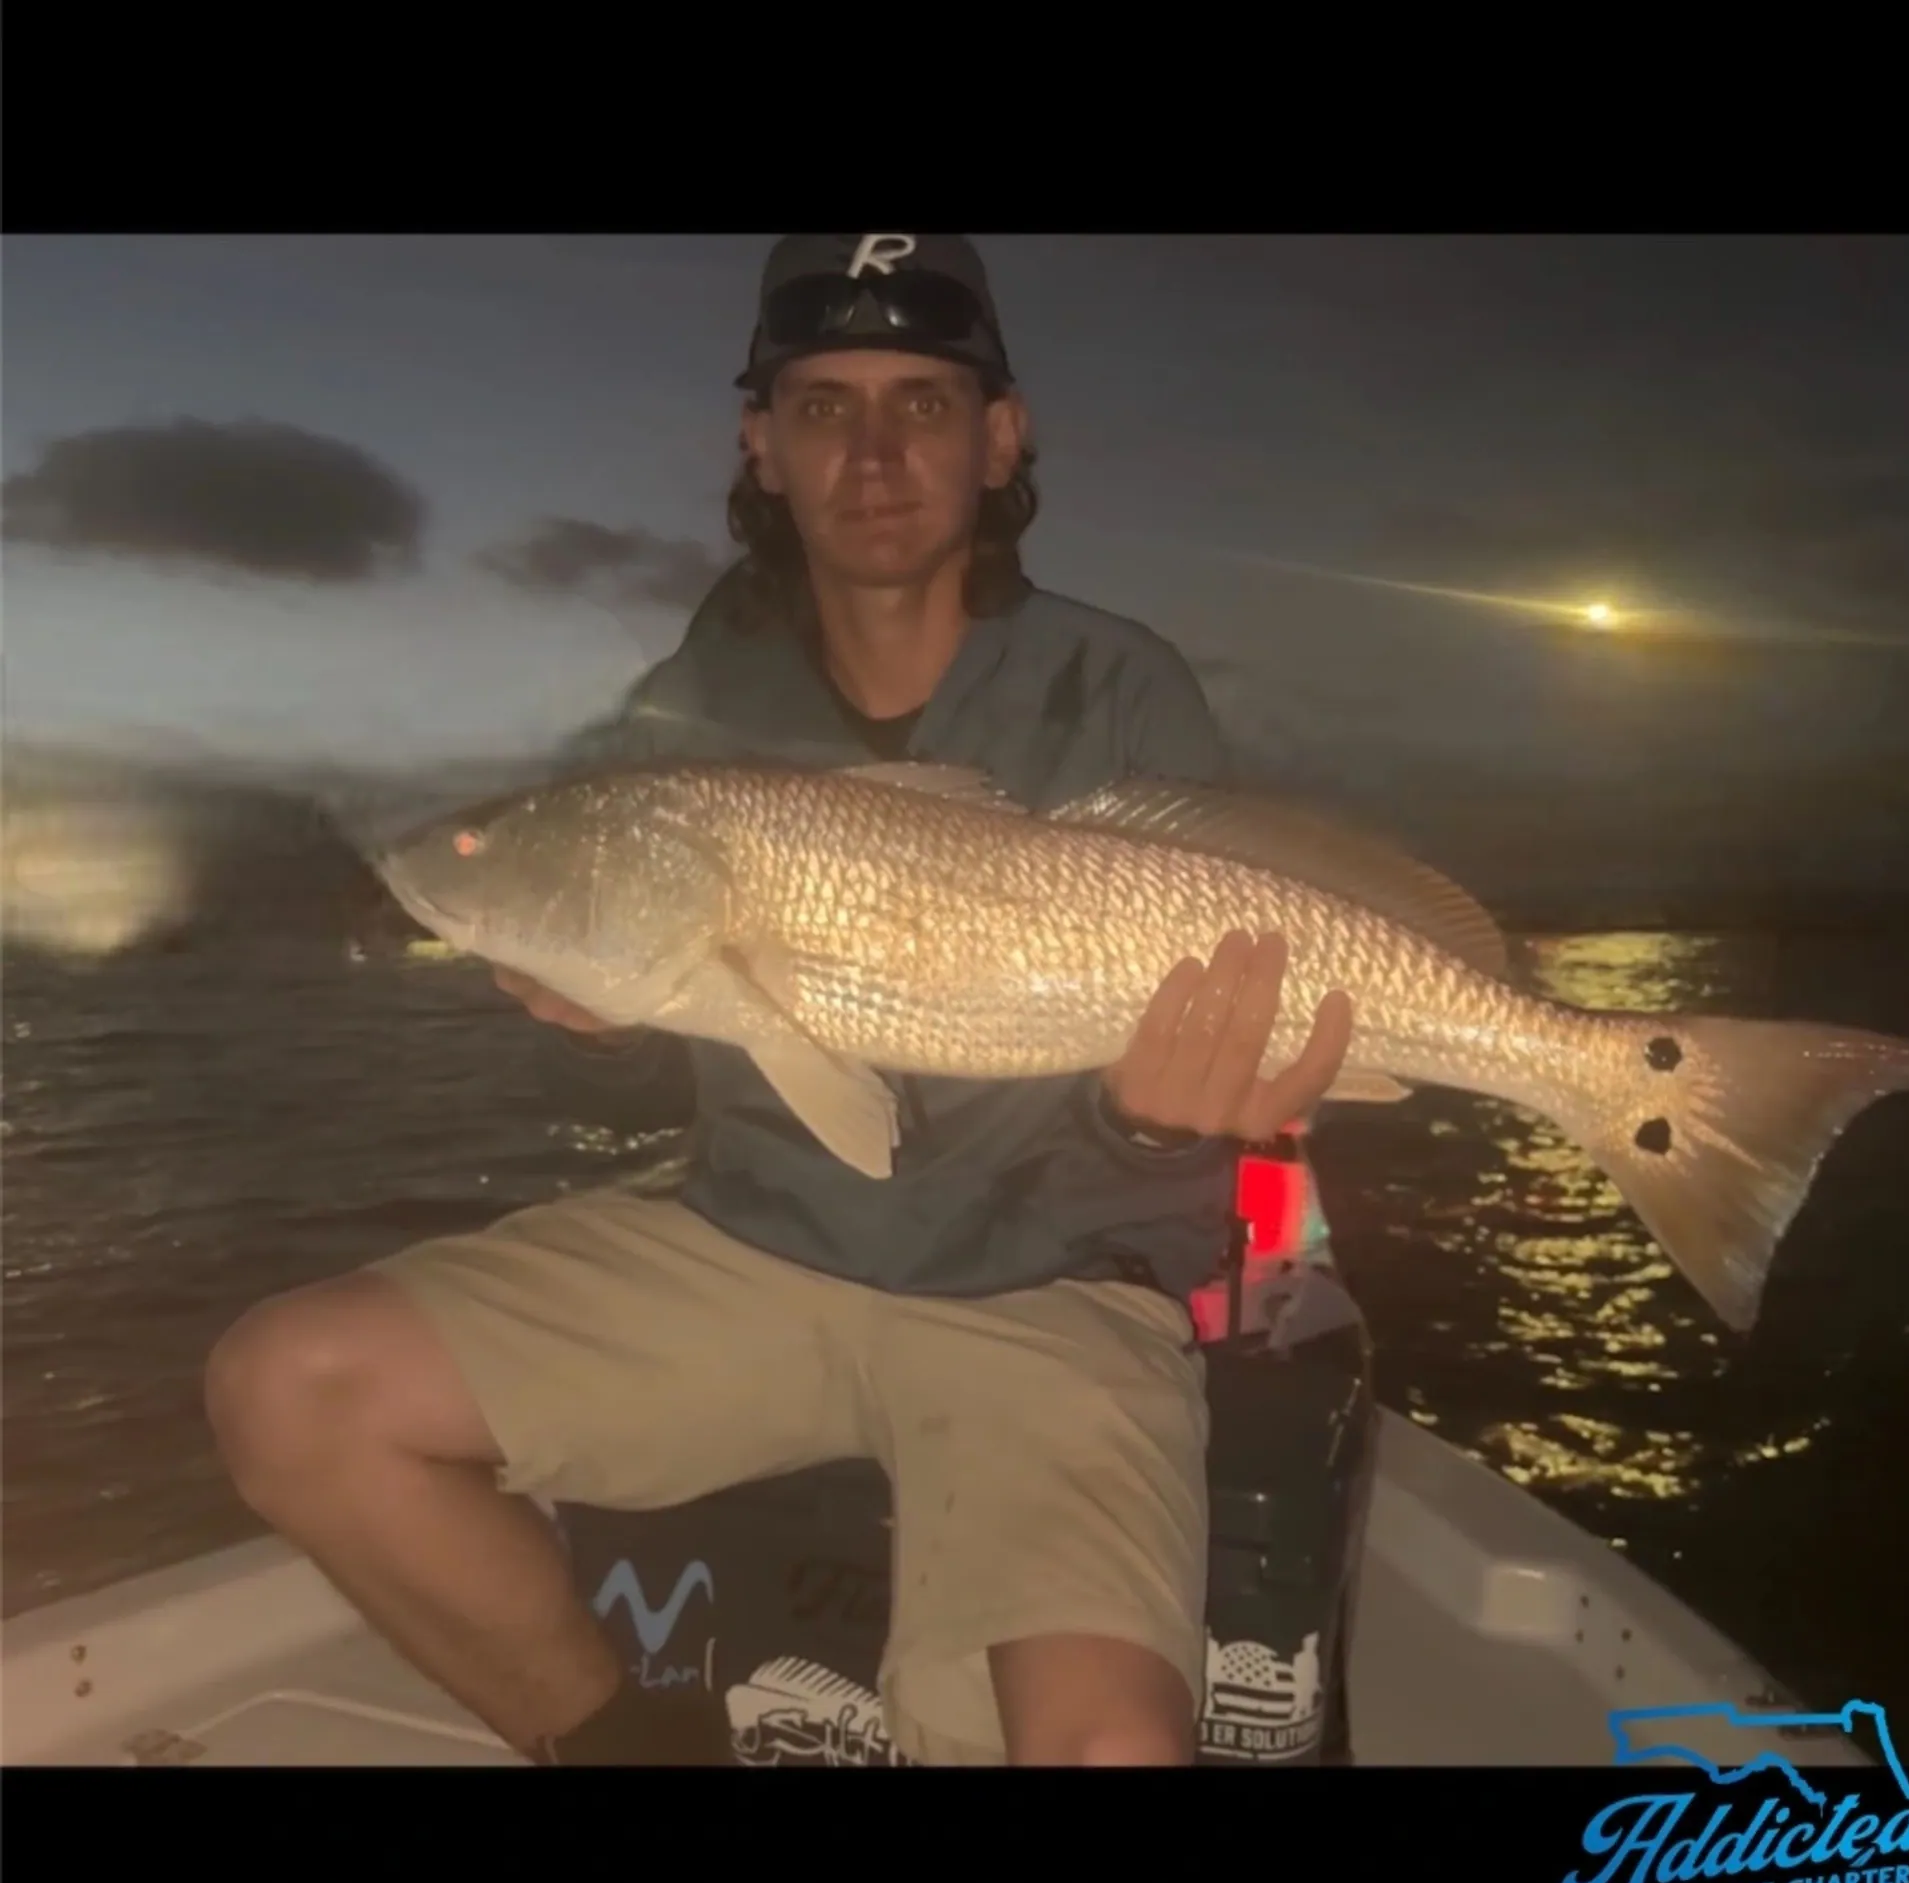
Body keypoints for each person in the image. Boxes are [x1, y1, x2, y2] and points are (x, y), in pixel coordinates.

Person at [205, 233, 1355, 1767]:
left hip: (1052, 1295)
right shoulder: (687, 709)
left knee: (1112, 1753)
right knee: (291, 1392)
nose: (872, 454)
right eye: (823, 407)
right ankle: (630, 1752)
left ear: (1001, 435)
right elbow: (675, 1031)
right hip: (755, 1250)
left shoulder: (1119, 687)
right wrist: (608, 1024)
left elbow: (1175, 1098)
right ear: (761, 443)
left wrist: (1162, 1119)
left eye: (923, 406)